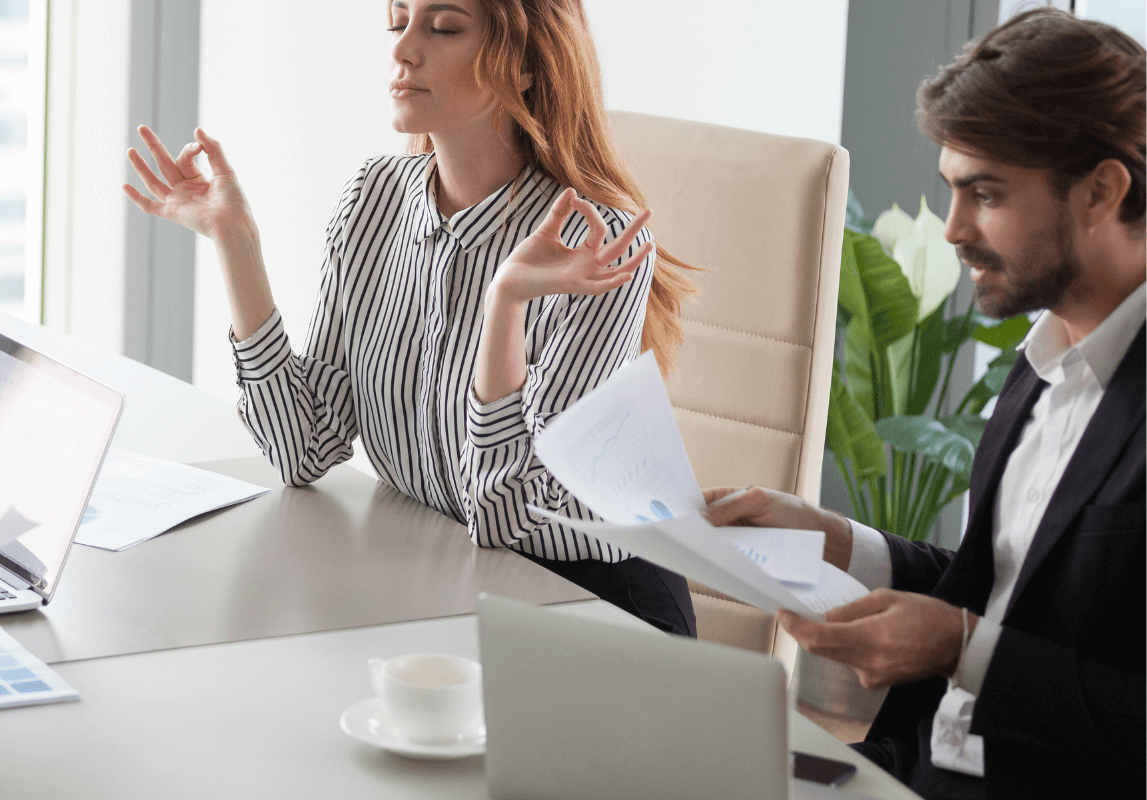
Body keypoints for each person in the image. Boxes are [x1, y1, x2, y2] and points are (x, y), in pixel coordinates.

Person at [122, 0, 699, 636]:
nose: (402, 49)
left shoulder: (596, 244)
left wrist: (504, 302)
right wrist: (235, 240)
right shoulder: (375, 199)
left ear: (529, 64)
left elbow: (512, 516)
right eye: (398, 21)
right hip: (453, 589)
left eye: (444, 26)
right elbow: (304, 446)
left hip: (596, 611)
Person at [705, 9, 1144, 799]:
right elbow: (1016, 585)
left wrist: (962, 650)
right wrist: (839, 542)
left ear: (1101, 191)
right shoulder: (1045, 359)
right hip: (922, 766)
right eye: (952, 189)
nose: (953, 229)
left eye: (985, 193)